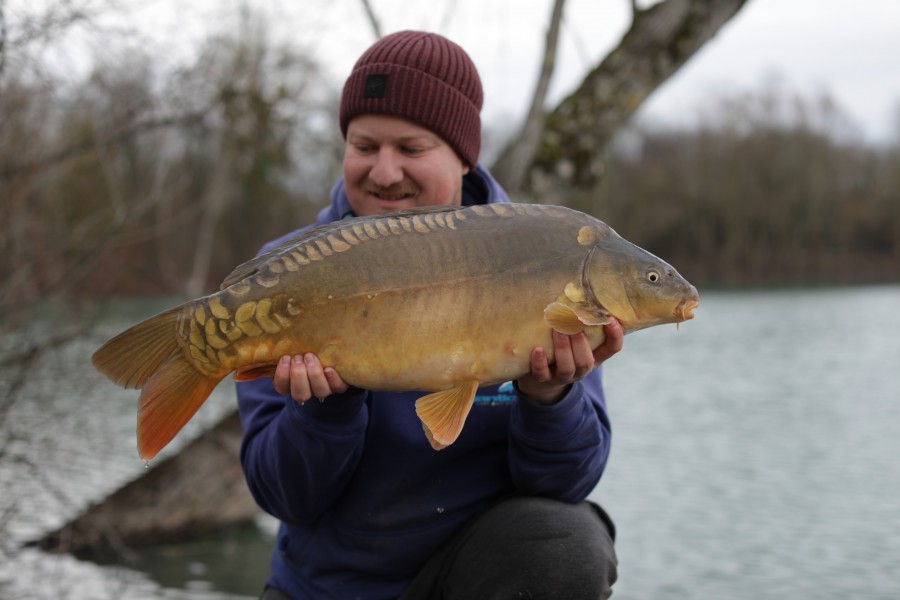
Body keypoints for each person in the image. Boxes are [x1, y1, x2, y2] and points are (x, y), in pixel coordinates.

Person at [237, 30, 623, 600]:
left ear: (464, 156)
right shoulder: (286, 276)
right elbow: (284, 498)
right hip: (326, 590)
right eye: (365, 146)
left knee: (566, 541)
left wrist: (549, 400)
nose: (385, 172)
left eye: (411, 149)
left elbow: (564, 485)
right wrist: (325, 412)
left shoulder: (544, 257)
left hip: (471, 577)